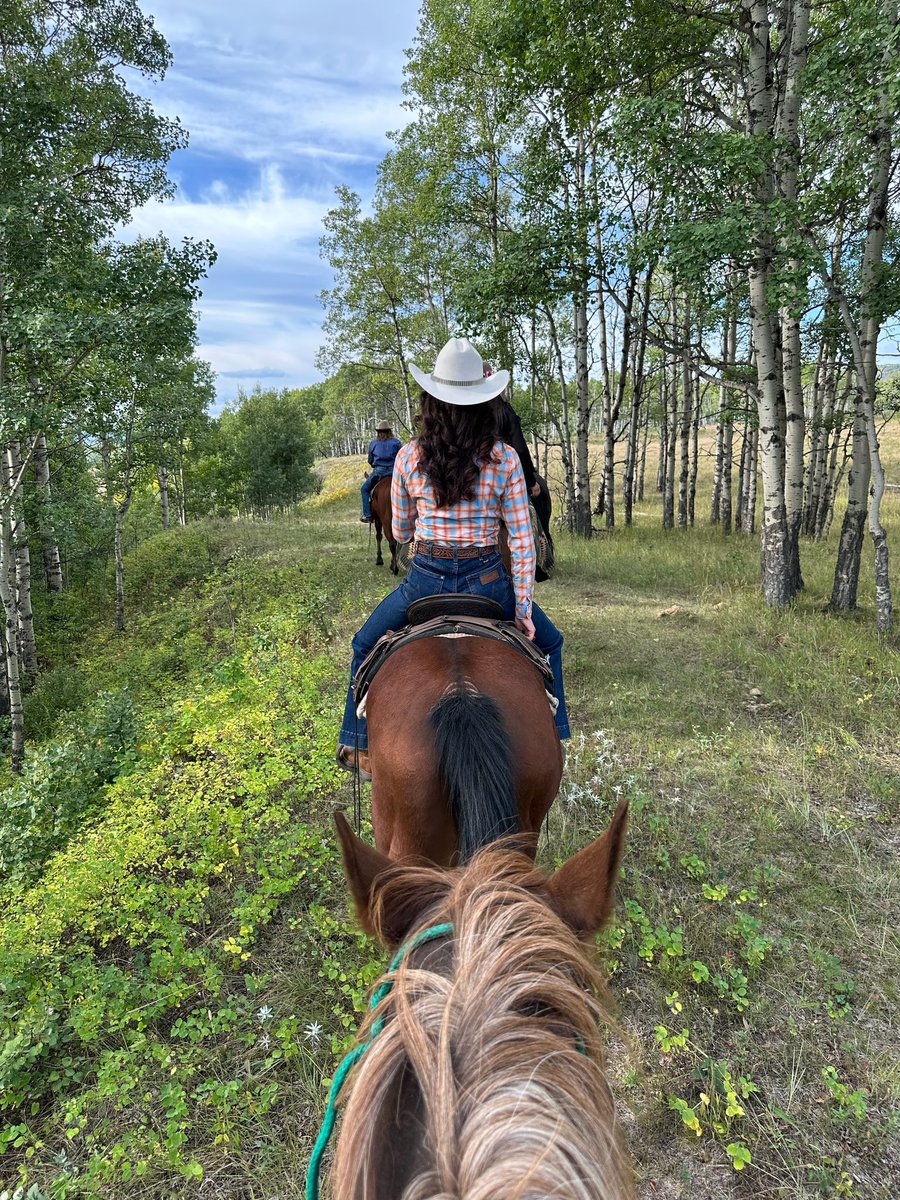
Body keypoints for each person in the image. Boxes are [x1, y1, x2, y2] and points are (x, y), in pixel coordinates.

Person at [337, 337, 570, 773]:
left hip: (424, 581)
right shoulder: (504, 459)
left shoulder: (409, 457)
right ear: (483, 404)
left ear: (432, 403)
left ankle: (357, 744)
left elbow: (402, 531)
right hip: (488, 581)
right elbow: (522, 540)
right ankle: (557, 737)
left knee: (364, 643)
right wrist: (521, 608)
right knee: (551, 643)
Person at [360, 420, 402, 522]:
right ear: (389, 431)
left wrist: (375, 465)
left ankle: (368, 515)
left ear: (378, 432)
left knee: (364, 489)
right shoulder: (396, 442)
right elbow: (402, 457)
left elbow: (370, 460)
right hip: (394, 472)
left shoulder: (373, 443)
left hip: (379, 472)